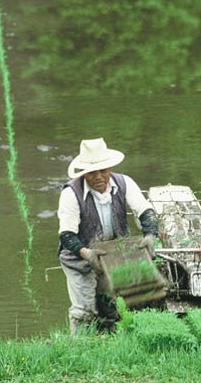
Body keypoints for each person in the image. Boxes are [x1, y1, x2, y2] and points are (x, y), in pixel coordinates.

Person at [57, 138, 158, 334]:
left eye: (103, 170)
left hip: (114, 255)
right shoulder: (71, 194)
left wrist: (150, 235)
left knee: (113, 306)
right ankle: (79, 347)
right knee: (84, 310)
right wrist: (87, 253)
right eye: (92, 172)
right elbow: (66, 234)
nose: (99, 177)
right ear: (84, 173)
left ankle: (111, 344)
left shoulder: (124, 183)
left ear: (110, 167)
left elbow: (145, 210)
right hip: (79, 258)